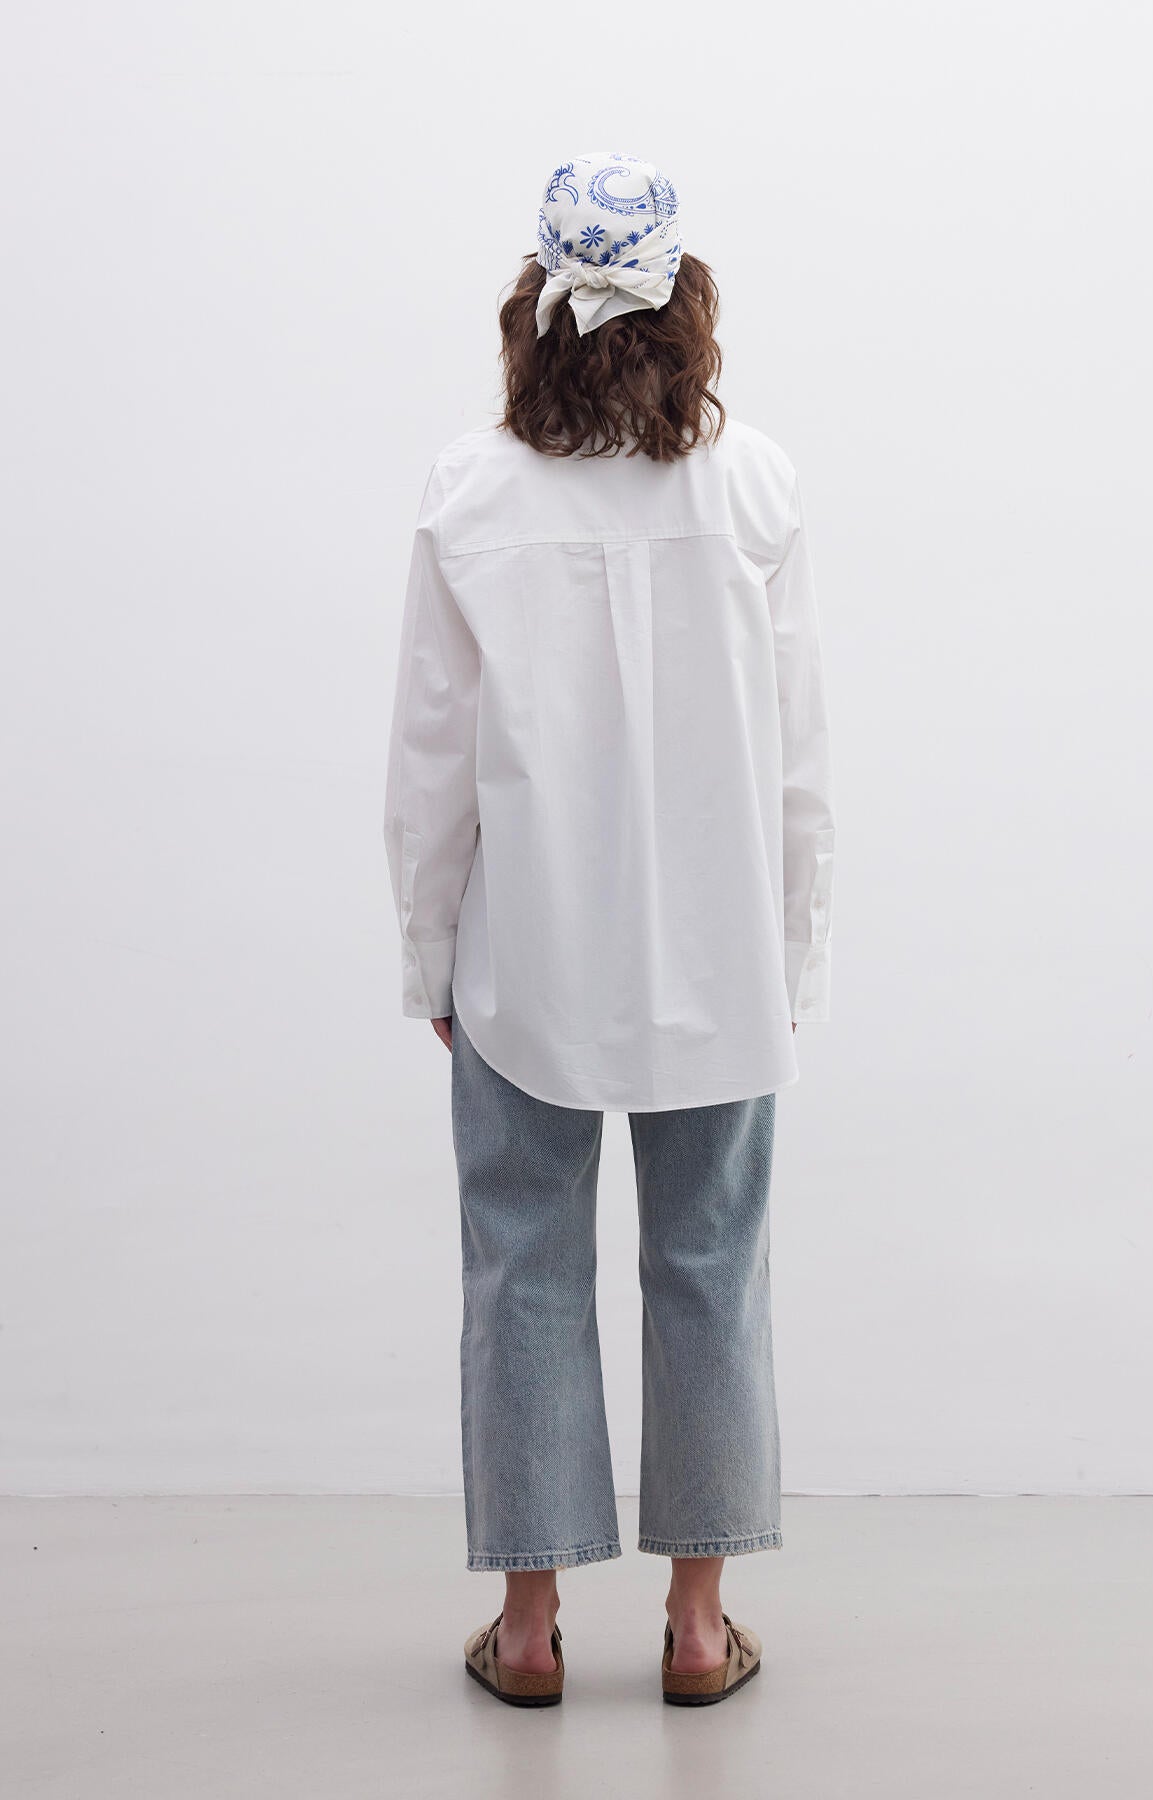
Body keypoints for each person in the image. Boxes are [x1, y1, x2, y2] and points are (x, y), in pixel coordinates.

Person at [383, 150, 834, 1708]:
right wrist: (796, 949)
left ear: (537, 309)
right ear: (685, 303)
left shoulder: (471, 488)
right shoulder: (755, 483)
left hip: (532, 961)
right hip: (722, 959)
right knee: (711, 1264)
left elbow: (431, 756)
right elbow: (800, 753)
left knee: (522, 1266)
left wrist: (429, 950)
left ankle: (526, 1631)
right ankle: (699, 1629)